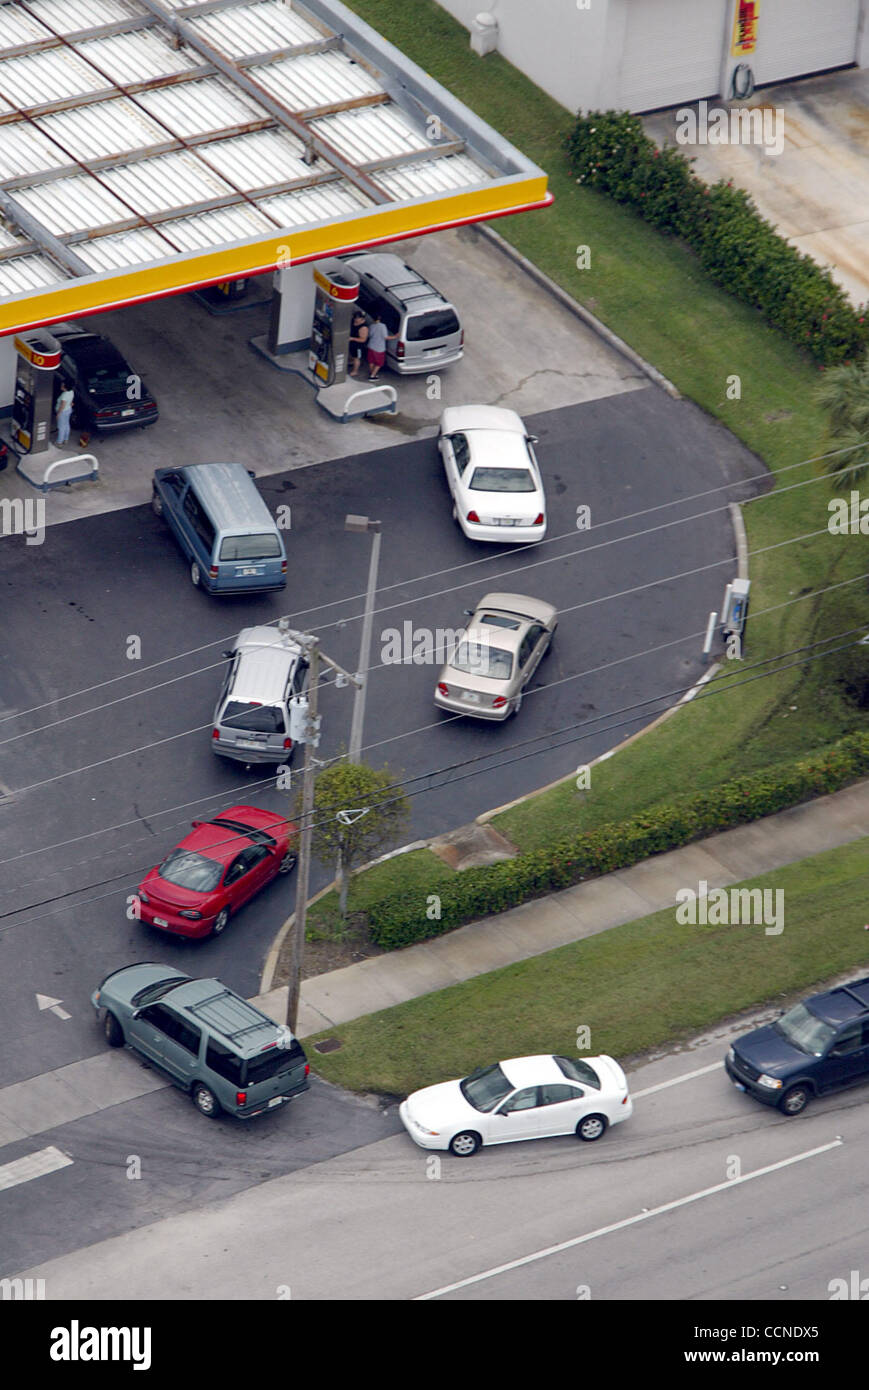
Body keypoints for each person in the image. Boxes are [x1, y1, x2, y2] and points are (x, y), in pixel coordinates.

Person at [366, 314, 396, 381]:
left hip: (371, 345)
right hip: (379, 348)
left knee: (371, 361)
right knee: (379, 363)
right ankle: (372, 376)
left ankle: (372, 373)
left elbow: (369, 335)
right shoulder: (382, 326)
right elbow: (385, 337)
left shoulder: (371, 326)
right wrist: (395, 337)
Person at [348, 311, 368, 377]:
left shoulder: (363, 328)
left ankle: (355, 371)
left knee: (357, 358)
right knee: (352, 354)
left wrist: (352, 338)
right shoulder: (353, 321)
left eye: (357, 318)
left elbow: (363, 339)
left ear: (362, 319)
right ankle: (351, 361)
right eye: (355, 318)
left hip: (358, 346)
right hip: (351, 343)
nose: (355, 319)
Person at [55, 378, 74, 446]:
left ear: (66, 387)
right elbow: (71, 402)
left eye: (62, 385)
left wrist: (58, 414)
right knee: (66, 425)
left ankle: (59, 442)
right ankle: (66, 439)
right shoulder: (71, 392)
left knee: (61, 427)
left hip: (63, 412)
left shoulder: (64, 395)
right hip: (68, 410)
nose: (61, 386)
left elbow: (62, 406)